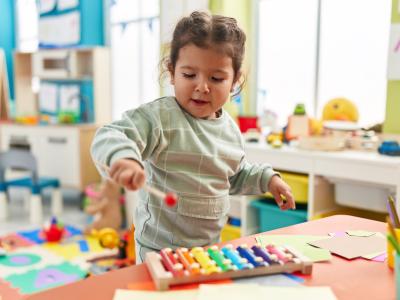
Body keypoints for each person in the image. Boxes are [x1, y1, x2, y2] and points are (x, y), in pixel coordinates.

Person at [91, 11, 295, 263]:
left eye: (216, 78)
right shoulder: (159, 118)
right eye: (189, 75)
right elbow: (111, 134)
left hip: (207, 251)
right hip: (157, 249)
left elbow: (233, 177)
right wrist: (122, 157)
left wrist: (267, 179)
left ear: (234, 81)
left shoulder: (230, 131)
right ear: (172, 72)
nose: (202, 86)